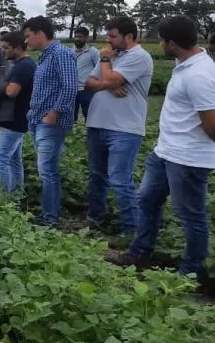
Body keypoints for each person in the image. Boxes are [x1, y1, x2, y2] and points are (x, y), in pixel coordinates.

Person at [108, 15, 215, 291]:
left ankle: (192, 273)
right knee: (146, 200)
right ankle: (140, 252)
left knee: (190, 214)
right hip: (165, 152)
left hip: (188, 158)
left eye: (160, 39)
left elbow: (212, 123)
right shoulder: (185, 65)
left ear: (171, 43)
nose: (158, 42)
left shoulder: (199, 75)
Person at [83, 16, 153, 237]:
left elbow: (108, 78)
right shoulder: (113, 55)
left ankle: (131, 230)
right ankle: (96, 218)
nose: (108, 39)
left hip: (124, 129)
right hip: (97, 123)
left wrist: (105, 65)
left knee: (120, 180)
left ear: (129, 36)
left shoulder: (140, 56)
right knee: (97, 175)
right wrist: (110, 85)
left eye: (113, 36)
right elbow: (89, 83)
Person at [22, 16, 77, 227]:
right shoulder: (45, 56)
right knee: (44, 168)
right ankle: (47, 213)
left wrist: (54, 113)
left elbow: (70, 87)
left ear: (40, 33)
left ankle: (50, 218)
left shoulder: (61, 54)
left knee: (47, 170)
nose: (26, 41)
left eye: (28, 36)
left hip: (50, 122)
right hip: (38, 119)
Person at [0, 31, 36, 197]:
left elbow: (11, 92)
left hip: (14, 119)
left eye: (6, 47)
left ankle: (6, 198)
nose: (3, 51)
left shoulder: (23, 66)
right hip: (16, 117)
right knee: (15, 160)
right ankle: (17, 194)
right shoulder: (23, 64)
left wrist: (0, 83)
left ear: (17, 48)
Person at [73, 27, 99, 122]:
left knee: (90, 116)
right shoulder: (70, 51)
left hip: (87, 90)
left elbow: (100, 69)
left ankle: (88, 135)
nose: (77, 39)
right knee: (71, 118)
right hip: (72, 89)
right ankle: (72, 135)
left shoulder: (93, 52)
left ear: (87, 38)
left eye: (80, 37)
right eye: (76, 36)